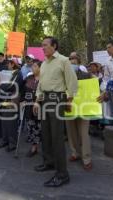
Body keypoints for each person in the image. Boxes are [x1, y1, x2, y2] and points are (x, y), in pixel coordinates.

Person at [33, 36, 78, 187]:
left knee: (57, 137)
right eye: (42, 45)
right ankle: (49, 162)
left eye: (45, 45)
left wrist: (69, 101)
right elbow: (40, 83)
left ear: (54, 46)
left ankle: (62, 174)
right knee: (45, 134)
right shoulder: (44, 63)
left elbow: (72, 82)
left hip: (57, 100)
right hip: (45, 100)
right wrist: (37, 100)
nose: (42, 48)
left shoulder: (64, 61)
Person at [66, 58, 93, 171]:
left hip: (84, 109)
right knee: (71, 132)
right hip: (68, 107)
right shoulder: (64, 76)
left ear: (78, 63)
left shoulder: (87, 75)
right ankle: (75, 153)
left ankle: (86, 158)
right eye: (70, 60)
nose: (72, 62)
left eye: (74, 60)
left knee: (84, 134)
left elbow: (95, 87)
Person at [0, 59, 23, 152]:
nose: (7, 66)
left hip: (13, 100)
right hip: (6, 99)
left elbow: (11, 86)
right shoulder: (12, 73)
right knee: (4, 120)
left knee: (11, 122)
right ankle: (5, 140)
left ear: (13, 64)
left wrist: (0, 83)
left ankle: (12, 143)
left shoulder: (18, 73)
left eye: (8, 63)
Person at [22, 59, 42, 157]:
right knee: (30, 127)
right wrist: (23, 100)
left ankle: (37, 146)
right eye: (32, 66)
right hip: (29, 107)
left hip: (40, 107)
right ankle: (34, 145)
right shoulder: (28, 78)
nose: (32, 68)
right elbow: (23, 90)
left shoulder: (44, 79)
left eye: (35, 66)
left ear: (40, 68)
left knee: (38, 128)